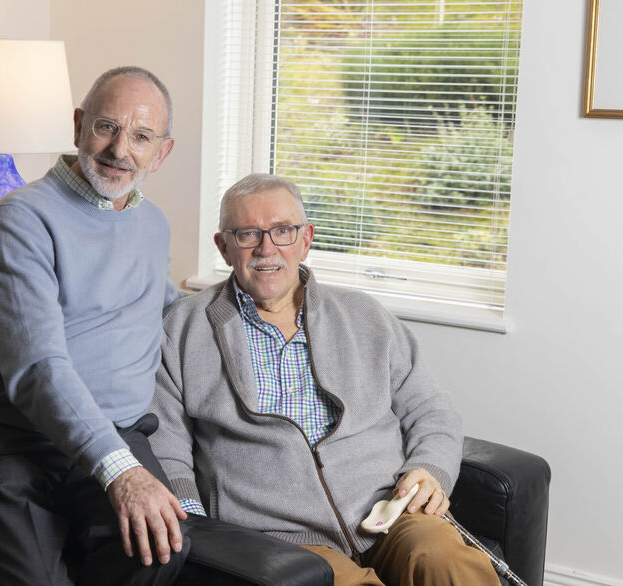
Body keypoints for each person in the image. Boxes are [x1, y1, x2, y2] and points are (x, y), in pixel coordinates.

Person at [149, 173, 500, 586]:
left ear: (306, 238)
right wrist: (202, 533)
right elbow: (165, 448)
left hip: (388, 511)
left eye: (283, 231)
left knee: (445, 560)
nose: (268, 249)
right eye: (248, 234)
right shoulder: (181, 330)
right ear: (224, 247)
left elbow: (431, 409)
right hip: (277, 537)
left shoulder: (365, 316)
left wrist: (430, 468)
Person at [0, 66, 189, 586]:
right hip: (9, 435)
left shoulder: (152, 223)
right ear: (79, 125)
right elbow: (36, 368)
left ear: (161, 152)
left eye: (142, 136)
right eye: (107, 126)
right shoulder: (23, 216)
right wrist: (120, 470)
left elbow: (168, 307)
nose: (120, 149)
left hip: (116, 429)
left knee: (164, 547)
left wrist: (263, 290)